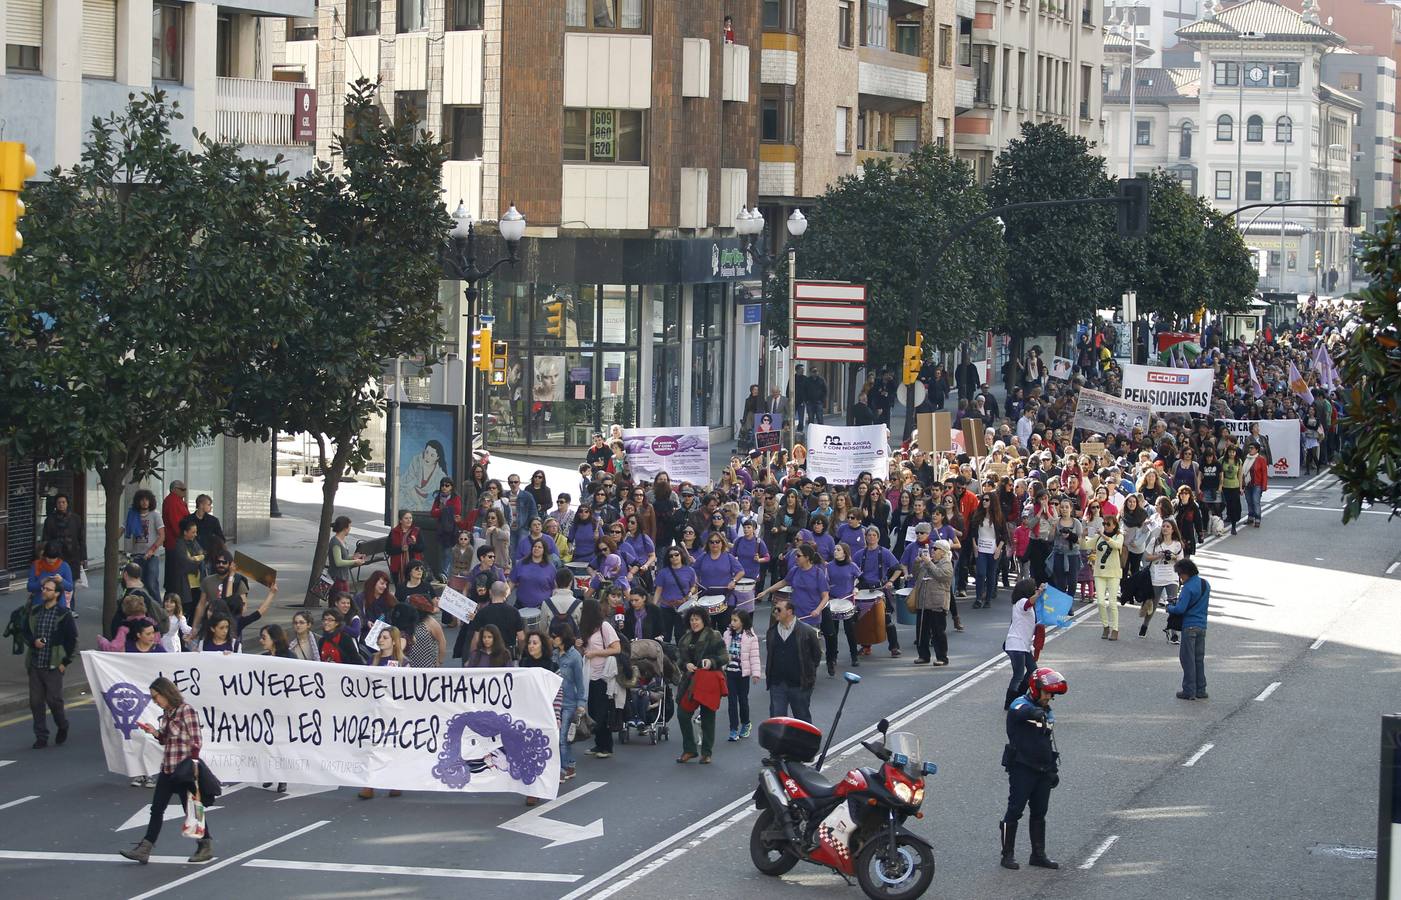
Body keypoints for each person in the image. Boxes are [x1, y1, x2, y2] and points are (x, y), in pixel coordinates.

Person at [121, 677, 214, 864]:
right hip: (168, 768)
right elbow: (166, 739)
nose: (155, 700)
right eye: (153, 698)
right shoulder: (167, 713)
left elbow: (196, 740)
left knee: (191, 809)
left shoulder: (185, 711)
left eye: (156, 696)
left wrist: (194, 765)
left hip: (183, 769)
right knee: (157, 809)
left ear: (166, 693)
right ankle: (145, 848)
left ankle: (205, 845)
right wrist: (154, 732)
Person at [999, 667, 1068, 872]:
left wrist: (1052, 769)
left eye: (1052, 694)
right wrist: (1035, 712)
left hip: (1042, 769)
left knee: (1039, 812)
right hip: (1022, 768)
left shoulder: (1048, 712)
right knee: (1015, 810)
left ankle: (1038, 855)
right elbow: (1020, 710)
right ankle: (1007, 855)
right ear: (1036, 690)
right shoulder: (1020, 703)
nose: (1049, 697)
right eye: (1047, 693)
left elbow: (1047, 742)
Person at [22, 576, 77, 749]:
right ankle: (41, 736)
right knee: (35, 702)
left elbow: (72, 640)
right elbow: (26, 632)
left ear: (57, 593)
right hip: (36, 664)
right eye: (43, 588)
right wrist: (33, 643)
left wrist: (64, 662)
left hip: (54, 665)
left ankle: (62, 725)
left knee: (54, 700)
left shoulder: (64, 615)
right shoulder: (35, 611)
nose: (44, 591)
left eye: (48, 589)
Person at [675, 608, 727, 764]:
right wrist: (686, 665)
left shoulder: (714, 635)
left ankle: (706, 753)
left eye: (697, 619)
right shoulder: (684, 638)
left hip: (708, 681)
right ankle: (690, 749)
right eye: (691, 620)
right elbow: (679, 660)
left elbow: (725, 656)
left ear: (704, 620)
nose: (694, 622)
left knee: (708, 717)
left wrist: (711, 662)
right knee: (682, 713)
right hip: (690, 681)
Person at [765, 595, 822, 722]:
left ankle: (806, 742)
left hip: (799, 684)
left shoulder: (807, 631)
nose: (775, 612)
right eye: (775, 609)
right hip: (777, 684)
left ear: (789, 612)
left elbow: (816, 655)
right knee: (777, 721)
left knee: (802, 720)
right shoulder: (772, 632)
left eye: (779, 609)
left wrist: (809, 675)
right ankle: (780, 743)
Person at [580, 598, 622, 760]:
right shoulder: (587, 629)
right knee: (592, 708)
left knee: (602, 712)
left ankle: (607, 746)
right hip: (589, 673)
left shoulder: (605, 627)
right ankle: (599, 743)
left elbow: (616, 648)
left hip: (604, 674)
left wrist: (595, 653)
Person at [1168, 559, 1211, 700]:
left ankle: (1189, 690)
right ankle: (1201, 689)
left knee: (1187, 659)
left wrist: (1170, 607)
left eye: (1180, 575)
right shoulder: (1205, 584)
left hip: (1189, 626)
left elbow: (1180, 609)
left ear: (1186, 573)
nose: (1180, 578)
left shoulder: (1188, 588)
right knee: (1199, 659)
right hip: (1202, 626)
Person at [550, 621, 586, 781]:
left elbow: (580, 682)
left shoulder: (575, 657)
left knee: (562, 738)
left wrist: (581, 703)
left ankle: (562, 770)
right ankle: (570, 765)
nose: (552, 639)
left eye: (554, 636)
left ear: (562, 637)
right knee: (561, 737)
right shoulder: (554, 654)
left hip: (570, 703)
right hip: (555, 701)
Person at [911, 540, 954, 667]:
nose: (932, 551)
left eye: (935, 549)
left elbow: (941, 576)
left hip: (937, 603)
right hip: (923, 602)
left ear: (943, 552)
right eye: (932, 548)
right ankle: (923, 655)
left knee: (938, 631)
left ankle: (942, 657)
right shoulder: (927, 563)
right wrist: (918, 563)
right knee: (921, 631)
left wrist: (929, 563)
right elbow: (916, 574)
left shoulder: (946, 563)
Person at [723, 609, 762, 742]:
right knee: (732, 702)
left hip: (742, 674)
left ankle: (745, 723)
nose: (732, 623)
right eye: (731, 620)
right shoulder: (727, 634)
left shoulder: (751, 637)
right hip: (730, 673)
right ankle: (733, 729)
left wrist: (756, 673)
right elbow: (723, 652)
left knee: (743, 700)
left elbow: (754, 657)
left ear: (743, 622)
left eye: (735, 620)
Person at [1086, 514, 1124, 641]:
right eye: (1104, 524)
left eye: (1108, 524)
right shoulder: (1098, 537)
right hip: (1099, 573)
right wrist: (1081, 536)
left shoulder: (1119, 535)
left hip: (1113, 573)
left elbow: (1117, 546)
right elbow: (1085, 545)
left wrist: (1104, 536)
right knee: (1101, 602)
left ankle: (1115, 629)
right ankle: (1105, 626)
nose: (1106, 526)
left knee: (1112, 603)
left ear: (1114, 525)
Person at [1142, 521, 1183, 640]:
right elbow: (1147, 557)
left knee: (1172, 604)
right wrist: (1159, 556)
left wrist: (1174, 557)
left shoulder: (1177, 544)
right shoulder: (1155, 541)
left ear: (1173, 530)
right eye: (1163, 526)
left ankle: (1174, 633)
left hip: (1171, 577)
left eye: (1168, 527)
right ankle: (1145, 625)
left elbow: (1181, 563)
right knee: (1153, 605)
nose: (1165, 528)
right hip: (1157, 576)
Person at [40, 492, 85, 598]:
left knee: (70, 586)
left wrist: (83, 557)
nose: (61, 504)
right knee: (55, 584)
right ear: (56, 504)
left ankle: (70, 609)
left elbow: (81, 539)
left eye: (63, 502)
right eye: (59, 502)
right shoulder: (50, 520)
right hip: (56, 557)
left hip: (73, 556)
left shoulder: (75, 518)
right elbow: (45, 539)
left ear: (67, 503)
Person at [1002, 580, 1039, 709]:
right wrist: (1040, 592)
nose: (1035, 590)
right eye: (1033, 589)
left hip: (1023, 645)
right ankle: (1010, 702)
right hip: (1017, 644)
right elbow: (1029, 602)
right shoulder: (1022, 602)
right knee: (1018, 675)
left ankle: (1020, 696)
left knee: (1033, 670)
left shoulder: (1021, 604)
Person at [124, 489, 165, 598]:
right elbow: (123, 528)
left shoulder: (155, 515)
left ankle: (158, 609)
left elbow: (162, 536)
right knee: (137, 585)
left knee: (151, 583)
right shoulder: (132, 514)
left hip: (152, 556)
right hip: (136, 555)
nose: (145, 502)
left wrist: (152, 550)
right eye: (142, 500)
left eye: (147, 500)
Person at [160, 481, 190, 594]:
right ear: (174, 490)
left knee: (174, 573)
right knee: (174, 574)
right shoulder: (173, 502)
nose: (185, 491)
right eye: (182, 489)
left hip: (176, 542)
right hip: (176, 543)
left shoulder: (176, 501)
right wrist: (186, 540)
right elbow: (177, 524)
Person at [27, 540, 74, 609]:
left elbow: (70, 587)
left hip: (59, 606)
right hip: (39, 605)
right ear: (45, 555)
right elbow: (29, 587)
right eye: (49, 558)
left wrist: (61, 580)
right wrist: (41, 582)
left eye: (54, 558)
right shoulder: (36, 565)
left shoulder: (64, 566)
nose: (51, 561)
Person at [326, 516, 364, 595]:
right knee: (337, 602)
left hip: (343, 578)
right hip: (337, 578)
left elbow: (343, 557)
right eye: (349, 526)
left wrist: (353, 557)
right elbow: (338, 562)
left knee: (345, 600)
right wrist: (355, 561)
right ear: (345, 528)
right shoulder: (335, 542)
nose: (350, 529)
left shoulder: (342, 541)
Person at [386, 510, 424, 580]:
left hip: (414, 568)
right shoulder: (394, 532)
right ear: (400, 520)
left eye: (410, 518)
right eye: (406, 518)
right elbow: (388, 550)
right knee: (400, 588)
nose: (409, 520)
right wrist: (401, 549)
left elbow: (421, 548)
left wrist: (414, 544)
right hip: (397, 568)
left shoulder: (416, 531)